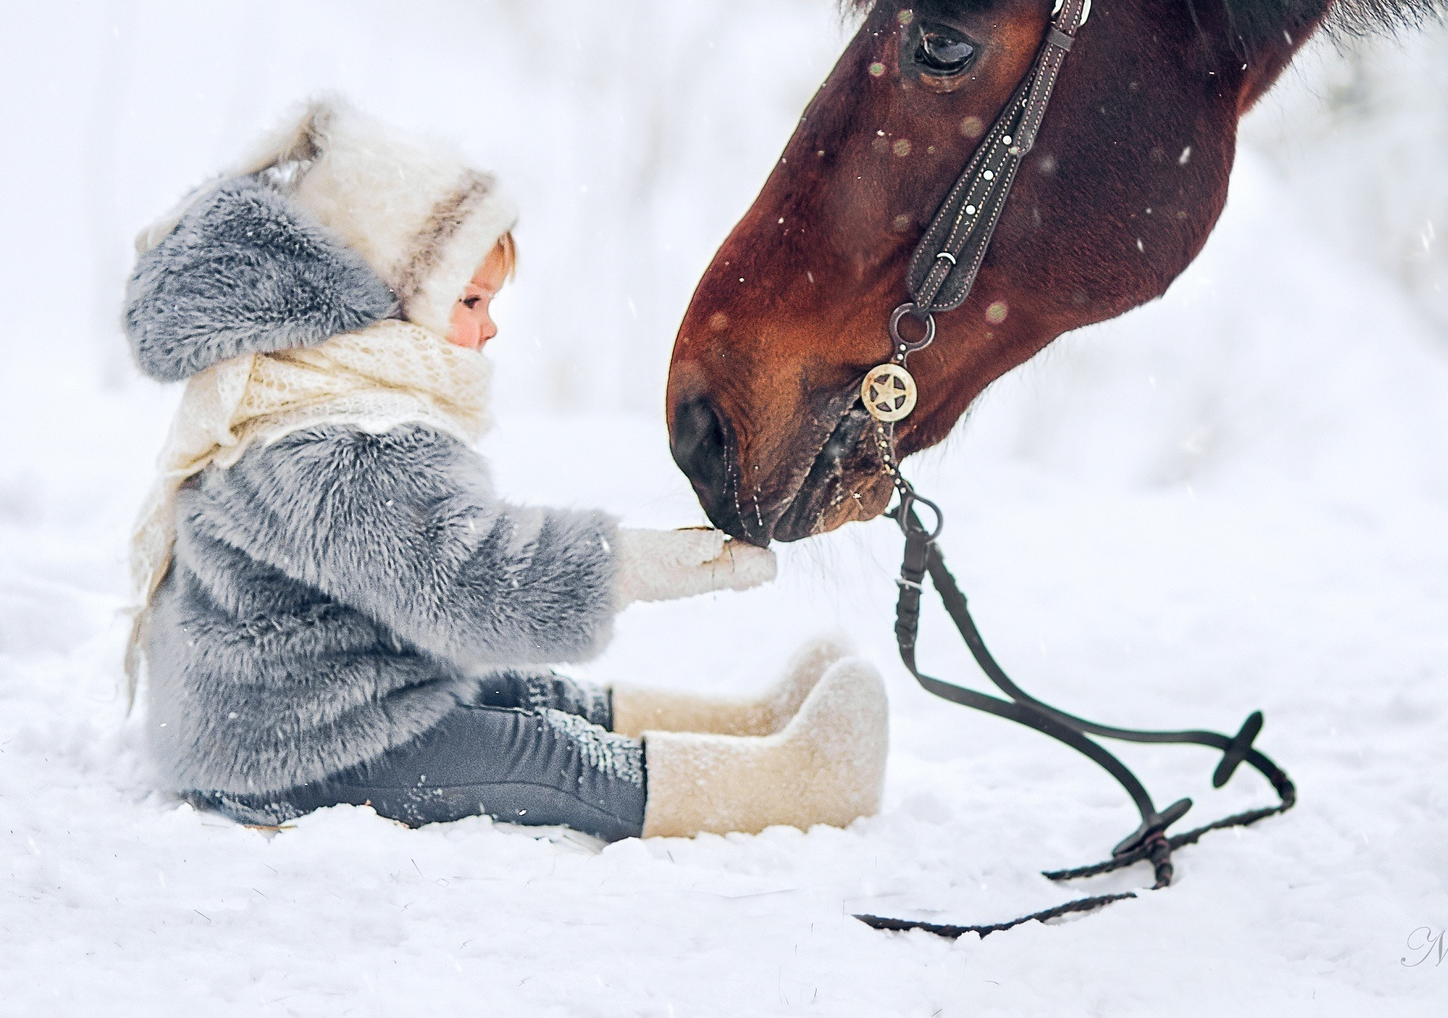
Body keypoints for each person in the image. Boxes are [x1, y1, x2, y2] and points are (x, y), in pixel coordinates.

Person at [121, 96, 886, 841]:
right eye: (472, 299)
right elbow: (465, 580)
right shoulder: (339, 440)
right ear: (398, 295)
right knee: (545, 759)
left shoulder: (316, 387)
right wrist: (636, 564)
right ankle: (796, 781)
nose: (490, 325)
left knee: (525, 694)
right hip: (290, 745)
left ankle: (747, 724)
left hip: (311, 692)